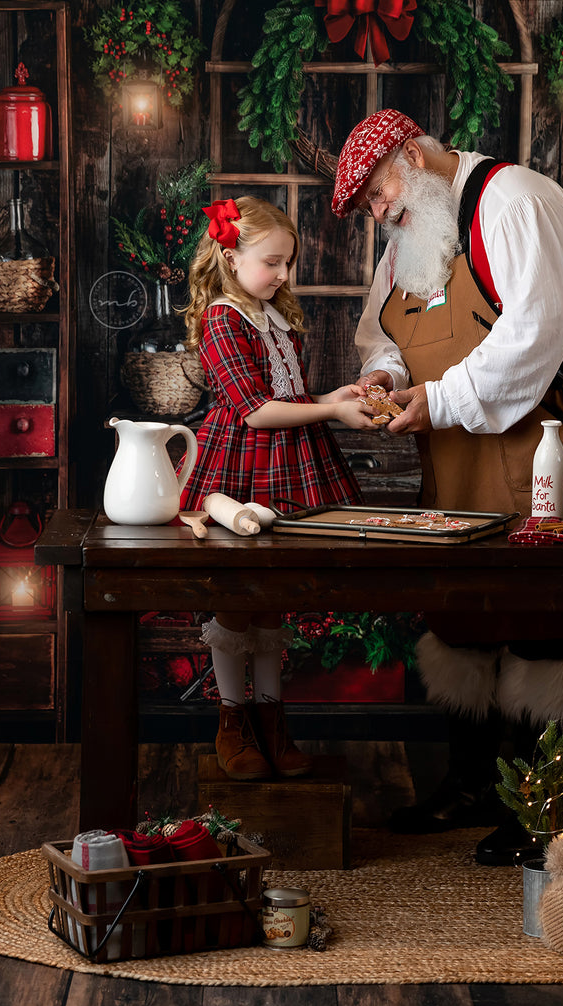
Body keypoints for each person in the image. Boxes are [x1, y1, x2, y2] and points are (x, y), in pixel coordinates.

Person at [331, 110, 563, 863]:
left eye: (376, 192)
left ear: (414, 153)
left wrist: (436, 400)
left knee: (549, 615)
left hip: (549, 430)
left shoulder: (515, 202)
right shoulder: (411, 235)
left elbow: (535, 336)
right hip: (455, 440)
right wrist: (384, 377)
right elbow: (384, 332)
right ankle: (468, 784)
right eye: (369, 204)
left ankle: (546, 807)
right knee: (461, 606)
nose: (379, 212)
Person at [179, 195, 380, 781]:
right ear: (231, 256)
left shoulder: (274, 315)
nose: (284, 274)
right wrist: (331, 415)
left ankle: (272, 717)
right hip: (243, 465)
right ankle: (232, 717)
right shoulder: (222, 318)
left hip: (290, 462)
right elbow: (254, 412)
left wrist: (333, 398)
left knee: (272, 597)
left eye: (288, 262)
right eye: (273, 262)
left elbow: (289, 401)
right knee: (236, 596)